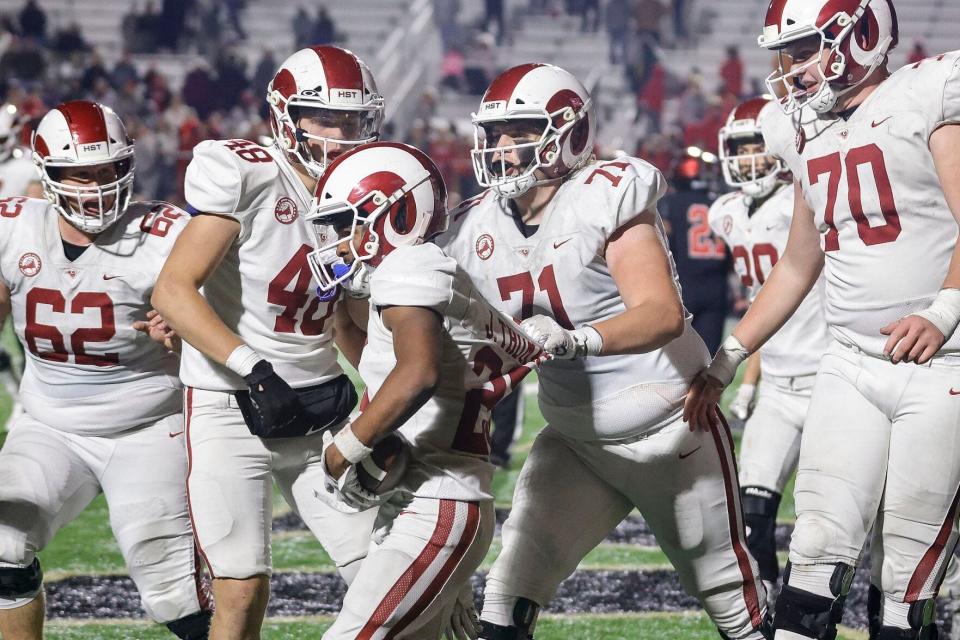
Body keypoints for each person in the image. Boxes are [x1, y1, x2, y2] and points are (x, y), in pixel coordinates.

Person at [440, 62, 771, 640]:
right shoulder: (474, 225)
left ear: (568, 132)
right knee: (506, 598)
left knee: (731, 600)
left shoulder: (606, 192)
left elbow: (662, 313)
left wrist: (575, 340)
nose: (501, 148)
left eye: (520, 132)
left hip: (671, 431)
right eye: (494, 134)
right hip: (575, 440)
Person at [684, 1, 960, 637]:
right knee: (814, 551)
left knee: (904, 584)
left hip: (941, 366)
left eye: (805, 49)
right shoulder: (806, 130)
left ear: (859, 35)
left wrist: (943, 312)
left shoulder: (926, 96)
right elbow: (795, 265)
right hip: (851, 362)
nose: (791, 68)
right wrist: (727, 357)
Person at [151, 46, 384, 639]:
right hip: (231, 405)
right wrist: (253, 368)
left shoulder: (361, 192)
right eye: (324, 118)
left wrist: (392, 394)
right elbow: (174, 291)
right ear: (286, 117)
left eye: (352, 120)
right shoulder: (247, 170)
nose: (340, 133)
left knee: (384, 574)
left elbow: (349, 321)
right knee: (242, 583)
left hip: (319, 409)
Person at [305, 141, 543, 639]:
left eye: (347, 224)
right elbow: (382, 359)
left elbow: (416, 373)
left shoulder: (411, 267)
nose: (337, 240)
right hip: (431, 502)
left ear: (393, 214)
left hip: (436, 503)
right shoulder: (418, 274)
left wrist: (343, 450)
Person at [0, 100, 211, 640]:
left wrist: (187, 328)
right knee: (2, 544)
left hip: (149, 427)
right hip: (49, 424)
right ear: (46, 173)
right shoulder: (14, 228)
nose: (94, 188)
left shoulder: (167, 234)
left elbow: (227, 335)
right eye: (78, 174)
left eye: (107, 171)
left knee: (176, 595)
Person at [708, 96, 831, 607]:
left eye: (760, 146)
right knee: (750, 517)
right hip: (780, 383)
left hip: (832, 377)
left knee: (829, 529)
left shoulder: (805, 200)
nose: (752, 158)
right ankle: (772, 617)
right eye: (741, 147)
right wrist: (752, 381)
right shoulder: (725, 214)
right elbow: (763, 305)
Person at [660, 151, 730, 355]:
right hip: (717, 287)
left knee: (676, 361)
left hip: (683, 285)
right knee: (707, 361)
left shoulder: (671, 203)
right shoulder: (719, 203)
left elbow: (665, 243)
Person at [0, 102, 41, 423]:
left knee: (29, 333)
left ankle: (29, 399)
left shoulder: (26, 167)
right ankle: (17, 396)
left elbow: (39, 213)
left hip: (20, 258)